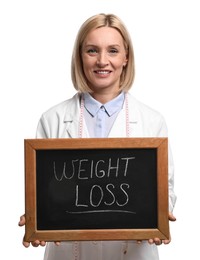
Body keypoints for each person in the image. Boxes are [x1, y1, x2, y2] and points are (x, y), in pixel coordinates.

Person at [19, 13, 176, 260]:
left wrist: (160, 215)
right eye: (92, 50)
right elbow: (44, 191)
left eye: (112, 51)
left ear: (126, 57)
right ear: (80, 57)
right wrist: (37, 218)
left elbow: (164, 188)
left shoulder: (152, 121)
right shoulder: (53, 119)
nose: (102, 61)